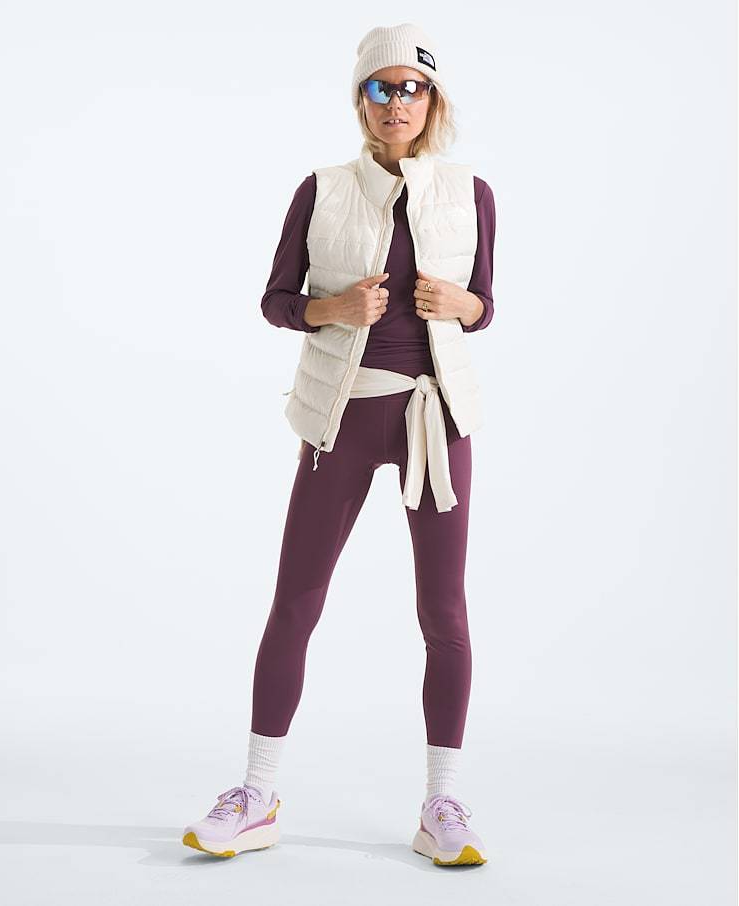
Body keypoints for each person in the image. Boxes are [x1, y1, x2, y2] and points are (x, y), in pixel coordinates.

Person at [182, 23, 496, 867]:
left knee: (445, 613)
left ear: (433, 100)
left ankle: (442, 803)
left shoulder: (470, 191)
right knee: (296, 600)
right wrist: (332, 309)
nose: (397, 103)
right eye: (381, 87)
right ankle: (256, 794)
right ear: (361, 99)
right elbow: (277, 300)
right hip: (343, 418)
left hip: (437, 421)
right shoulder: (322, 189)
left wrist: (461, 304)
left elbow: (485, 306)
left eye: (412, 87)